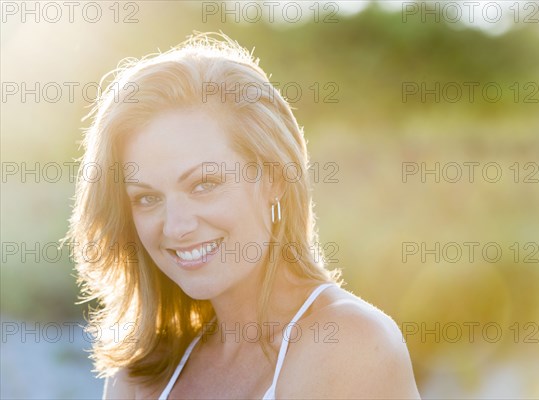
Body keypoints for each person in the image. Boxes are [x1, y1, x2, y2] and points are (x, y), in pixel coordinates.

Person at [67, 32, 420, 399]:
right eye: (147, 198)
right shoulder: (143, 372)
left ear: (275, 178)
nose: (176, 226)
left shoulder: (348, 343)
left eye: (204, 184)